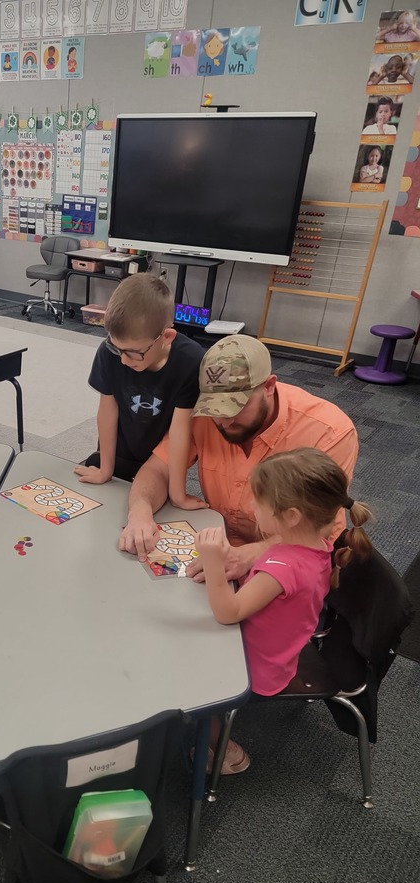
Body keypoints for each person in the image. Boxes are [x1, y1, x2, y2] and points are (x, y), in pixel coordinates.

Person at [119, 334, 358, 582]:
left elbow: (319, 528)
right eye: (214, 408)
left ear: (268, 386)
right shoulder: (201, 416)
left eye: (235, 407)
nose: (223, 421)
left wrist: (251, 554)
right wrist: (140, 510)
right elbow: (158, 468)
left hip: (287, 567)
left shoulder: (329, 432)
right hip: (217, 550)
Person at [195, 447, 373, 772]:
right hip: (278, 651)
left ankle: (227, 752)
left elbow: (228, 612)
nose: (251, 507)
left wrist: (212, 560)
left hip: (257, 668)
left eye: (258, 501)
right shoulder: (315, 547)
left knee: (191, 689)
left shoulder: (283, 566)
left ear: (290, 516)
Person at [74, 274, 205, 506]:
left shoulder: (191, 361)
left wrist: (178, 495)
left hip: (160, 461)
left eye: (134, 352)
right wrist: (105, 469)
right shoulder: (108, 353)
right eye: (117, 348)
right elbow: (107, 411)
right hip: (121, 450)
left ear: (166, 336)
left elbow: (180, 431)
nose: (124, 360)